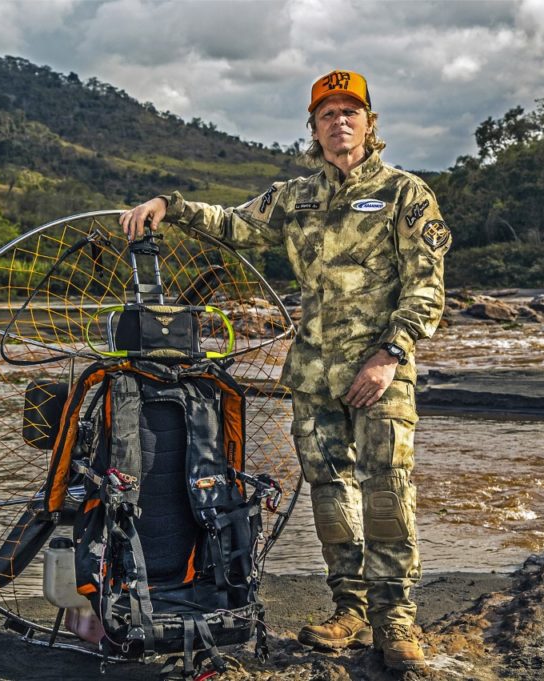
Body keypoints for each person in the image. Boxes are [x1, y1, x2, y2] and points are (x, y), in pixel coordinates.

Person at [119, 69, 449, 672]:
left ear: (370, 124)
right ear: (314, 128)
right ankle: (349, 610)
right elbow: (233, 223)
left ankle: (396, 621)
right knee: (331, 492)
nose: (340, 120)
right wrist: (170, 205)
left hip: (381, 372)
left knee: (387, 491)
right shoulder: (295, 197)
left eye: (351, 110)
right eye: (328, 113)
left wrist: (390, 355)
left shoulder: (406, 194)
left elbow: (426, 290)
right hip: (314, 373)